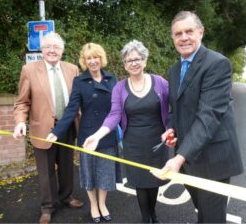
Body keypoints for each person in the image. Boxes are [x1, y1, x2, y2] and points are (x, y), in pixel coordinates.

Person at [152, 11, 244, 223]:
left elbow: (208, 116)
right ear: (172, 38)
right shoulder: (175, 70)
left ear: (200, 32)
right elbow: (177, 109)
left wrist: (179, 157)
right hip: (187, 158)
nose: (183, 37)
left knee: (212, 217)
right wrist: (171, 128)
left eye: (189, 31)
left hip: (213, 159)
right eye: (178, 34)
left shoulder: (217, 64)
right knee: (201, 211)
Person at [83, 40, 170, 223]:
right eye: (130, 60)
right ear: (125, 65)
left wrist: (172, 130)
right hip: (133, 143)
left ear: (145, 61)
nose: (134, 63)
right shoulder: (119, 88)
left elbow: (173, 108)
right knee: (140, 182)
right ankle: (146, 218)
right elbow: (114, 115)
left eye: (138, 59)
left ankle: (153, 213)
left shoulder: (160, 82)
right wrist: (97, 136)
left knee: (154, 181)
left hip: (157, 141)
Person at [46, 43, 122, 223]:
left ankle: (102, 204)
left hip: (107, 133)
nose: (93, 61)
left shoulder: (112, 78)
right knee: (90, 174)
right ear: (84, 61)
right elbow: (71, 109)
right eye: (89, 58)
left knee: (105, 174)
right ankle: (93, 205)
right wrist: (57, 132)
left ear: (101, 58)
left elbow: (120, 108)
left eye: (96, 57)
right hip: (88, 135)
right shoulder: (79, 81)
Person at [13, 32, 83, 224]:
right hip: (42, 130)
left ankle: (66, 196)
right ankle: (47, 207)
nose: (52, 50)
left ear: (62, 50)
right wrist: (20, 121)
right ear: (42, 49)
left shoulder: (72, 69)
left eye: (56, 47)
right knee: (46, 172)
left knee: (67, 167)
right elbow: (22, 102)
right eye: (48, 47)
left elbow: (78, 100)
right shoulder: (29, 70)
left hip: (67, 127)